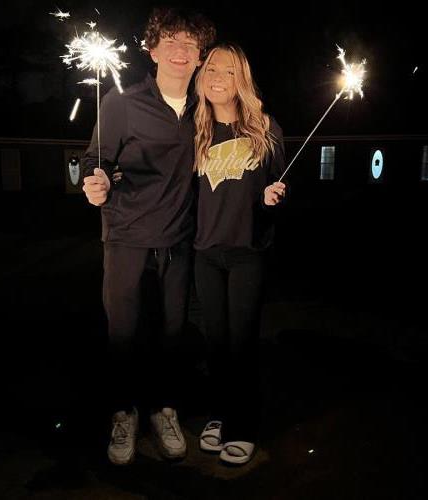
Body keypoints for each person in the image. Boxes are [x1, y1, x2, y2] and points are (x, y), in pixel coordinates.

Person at [81, 7, 216, 465]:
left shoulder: (206, 109)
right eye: (171, 41)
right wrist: (95, 182)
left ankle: (163, 409)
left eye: (190, 43)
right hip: (126, 236)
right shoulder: (122, 101)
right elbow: (94, 160)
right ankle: (123, 413)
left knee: (172, 331)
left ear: (200, 56)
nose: (181, 50)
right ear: (152, 49)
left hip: (178, 239)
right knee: (124, 332)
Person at [193, 43, 286, 465]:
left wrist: (272, 197)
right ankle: (219, 414)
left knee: (242, 343)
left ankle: (244, 424)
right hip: (206, 254)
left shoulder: (264, 129)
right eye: (212, 68)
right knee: (215, 343)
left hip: (247, 253)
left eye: (228, 71)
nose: (217, 77)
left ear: (241, 79)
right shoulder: (195, 130)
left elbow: (279, 186)